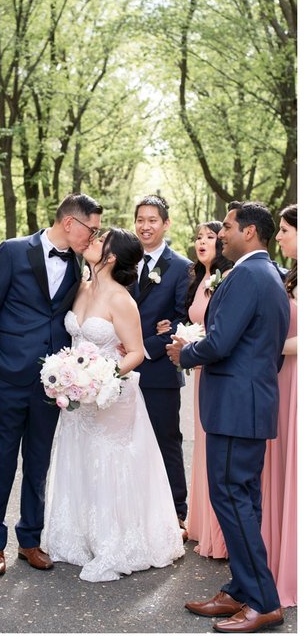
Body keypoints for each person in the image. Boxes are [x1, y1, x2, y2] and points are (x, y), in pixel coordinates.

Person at [169, 201, 290, 632]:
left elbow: (220, 343)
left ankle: (263, 601)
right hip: (247, 403)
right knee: (243, 501)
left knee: (233, 498)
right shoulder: (267, 274)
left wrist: (185, 353)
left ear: (250, 232)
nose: (221, 234)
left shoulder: (249, 275)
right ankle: (241, 588)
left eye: (228, 227)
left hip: (238, 407)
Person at [42, 228, 185, 581]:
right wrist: (70, 378)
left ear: (111, 256)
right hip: (77, 396)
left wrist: (100, 378)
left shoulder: (122, 298)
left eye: (98, 239)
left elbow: (135, 352)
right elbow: (74, 338)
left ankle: (115, 542)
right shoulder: (82, 287)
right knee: (79, 458)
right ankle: (79, 536)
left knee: (108, 462)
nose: (90, 240)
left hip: (109, 394)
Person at [0, 193, 102, 577]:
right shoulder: (13, 251)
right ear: (69, 223)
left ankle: (30, 539)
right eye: (91, 229)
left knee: (38, 463)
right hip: (8, 378)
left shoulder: (80, 263)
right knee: (0, 463)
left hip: (52, 384)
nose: (94, 236)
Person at [131, 195, 192, 537]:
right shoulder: (124, 262)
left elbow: (181, 323)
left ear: (165, 224)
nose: (145, 225)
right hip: (122, 369)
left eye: (153, 219)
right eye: (140, 219)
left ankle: (176, 511)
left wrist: (144, 347)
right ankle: (138, 509)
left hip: (158, 370)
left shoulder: (181, 266)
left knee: (166, 440)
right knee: (130, 442)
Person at [175, 222, 232, 558]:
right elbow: (197, 322)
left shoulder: (226, 278)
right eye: (198, 237)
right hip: (200, 371)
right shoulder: (196, 278)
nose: (202, 242)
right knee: (200, 446)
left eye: (210, 237)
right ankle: (199, 522)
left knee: (214, 447)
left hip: (215, 367)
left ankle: (220, 531)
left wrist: (194, 345)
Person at [261, 204, 296, 607]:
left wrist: (269, 346)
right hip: (280, 377)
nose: (281, 237)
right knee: (279, 462)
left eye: (286, 230)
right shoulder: (287, 276)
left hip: (295, 378)